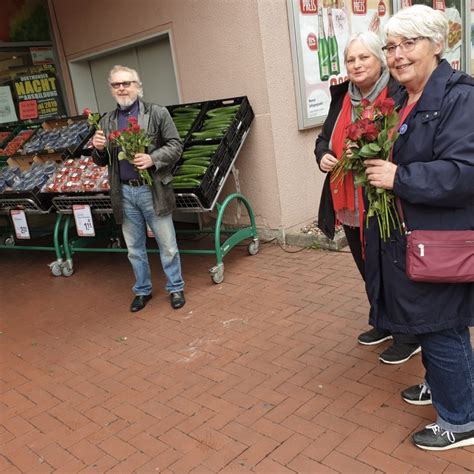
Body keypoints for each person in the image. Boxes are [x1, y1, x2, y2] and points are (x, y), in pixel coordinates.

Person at [363, 5, 474, 450]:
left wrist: (398, 178)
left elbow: (464, 172)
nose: (397, 55)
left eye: (409, 43)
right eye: (391, 46)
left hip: (438, 238)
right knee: (426, 321)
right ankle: (447, 385)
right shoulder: (401, 97)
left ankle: (461, 419)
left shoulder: (460, 97)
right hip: (410, 237)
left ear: (437, 45)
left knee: (441, 324)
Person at [314, 31, 420, 364]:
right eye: (350, 59)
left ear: (380, 59)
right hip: (348, 198)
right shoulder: (341, 97)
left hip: (385, 199)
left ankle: (409, 333)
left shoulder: (399, 94)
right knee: (366, 265)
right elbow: (323, 138)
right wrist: (323, 156)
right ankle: (384, 321)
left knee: (393, 266)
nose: (356, 65)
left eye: (364, 57)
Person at [92, 65, 186, 313]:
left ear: (137, 85)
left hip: (151, 189)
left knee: (167, 245)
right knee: (134, 249)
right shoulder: (106, 121)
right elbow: (101, 161)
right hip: (123, 193)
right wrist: (99, 148)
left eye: (126, 83)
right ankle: (142, 290)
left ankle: (175, 287)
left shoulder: (156, 113)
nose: (122, 88)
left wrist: (153, 158)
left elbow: (176, 145)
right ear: (111, 89)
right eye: (116, 85)